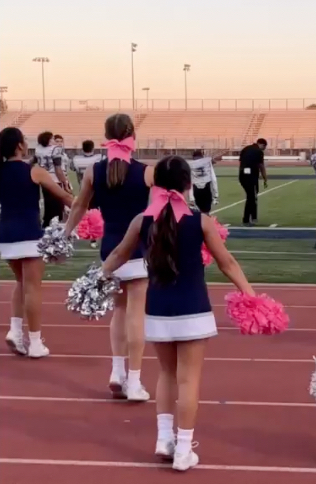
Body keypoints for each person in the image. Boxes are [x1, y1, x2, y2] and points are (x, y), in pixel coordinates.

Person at [101, 155, 255, 472]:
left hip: (157, 312)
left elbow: (118, 254)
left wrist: (96, 279)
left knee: (166, 376)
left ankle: (163, 439)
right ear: (188, 183)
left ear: (156, 183)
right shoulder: (200, 221)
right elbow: (227, 263)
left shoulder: (141, 220)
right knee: (189, 381)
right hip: (193, 311)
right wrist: (250, 295)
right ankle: (183, 450)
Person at [65, 113, 154, 401]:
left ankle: (117, 371)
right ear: (132, 137)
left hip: (110, 251)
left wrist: (65, 233)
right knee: (136, 316)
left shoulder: (94, 171)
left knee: (119, 311)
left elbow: (79, 206)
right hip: (139, 252)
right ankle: (135, 381)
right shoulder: (147, 172)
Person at [0, 127, 73, 358]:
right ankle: (34, 342)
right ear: (20, 146)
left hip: (6, 236)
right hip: (30, 235)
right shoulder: (35, 171)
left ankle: (14, 330)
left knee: (21, 282)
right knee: (32, 287)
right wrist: (85, 208)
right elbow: (63, 196)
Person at [35, 131, 71, 227]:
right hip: (54, 180)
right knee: (57, 208)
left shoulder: (38, 149)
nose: (53, 141)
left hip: (43, 179)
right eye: (51, 139)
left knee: (48, 205)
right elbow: (58, 169)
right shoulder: (55, 149)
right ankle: (53, 229)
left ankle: (46, 225)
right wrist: (65, 182)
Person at [238, 138, 268, 226]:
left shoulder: (245, 149)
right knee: (251, 197)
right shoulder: (259, 152)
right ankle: (247, 219)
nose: (264, 149)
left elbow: (240, 162)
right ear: (262, 144)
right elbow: (261, 166)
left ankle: (253, 217)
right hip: (251, 176)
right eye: (264, 147)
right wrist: (265, 178)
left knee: (251, 196)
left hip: (243, 175)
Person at [189, 149, 218, 213]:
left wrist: (191, 198)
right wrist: (216, 194)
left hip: (196, 190)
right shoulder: (207, 163)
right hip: (206, 189)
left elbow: (190, 182)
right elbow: (214, 179)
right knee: (206, 211)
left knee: (199, 212)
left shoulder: (191, 165)